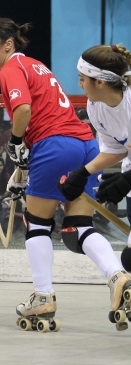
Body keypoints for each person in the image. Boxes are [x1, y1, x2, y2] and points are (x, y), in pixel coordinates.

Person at [0, 18, 129, 331]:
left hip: (54, 145)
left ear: (7, 45)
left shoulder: (10, 69)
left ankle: (43, 295)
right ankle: (118, 276)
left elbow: (23, 112)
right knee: (76, 229)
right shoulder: (36, 65)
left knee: (37, 224)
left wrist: (16, 142)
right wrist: (23, 164)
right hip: (86, 145)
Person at [68, 44, 131, 279]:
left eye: (82, 79)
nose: (79, 84)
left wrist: (126, 180)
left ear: (100, 83)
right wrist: (83, 173)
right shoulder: (96, 106)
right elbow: (116, 149)